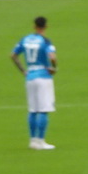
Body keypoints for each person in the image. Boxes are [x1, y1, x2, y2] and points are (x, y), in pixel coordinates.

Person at [11, 16, 58, 150]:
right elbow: (52, 57)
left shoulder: (25, 39)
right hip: (43, 76)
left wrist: (23, 70)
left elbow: (13, 55)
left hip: (30, 76)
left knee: (33, 110)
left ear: (34, 26)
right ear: (46, 27)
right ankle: (41, 141)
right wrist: (54, 68)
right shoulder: (45, 41)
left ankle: (32, 141)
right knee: (43, 109)